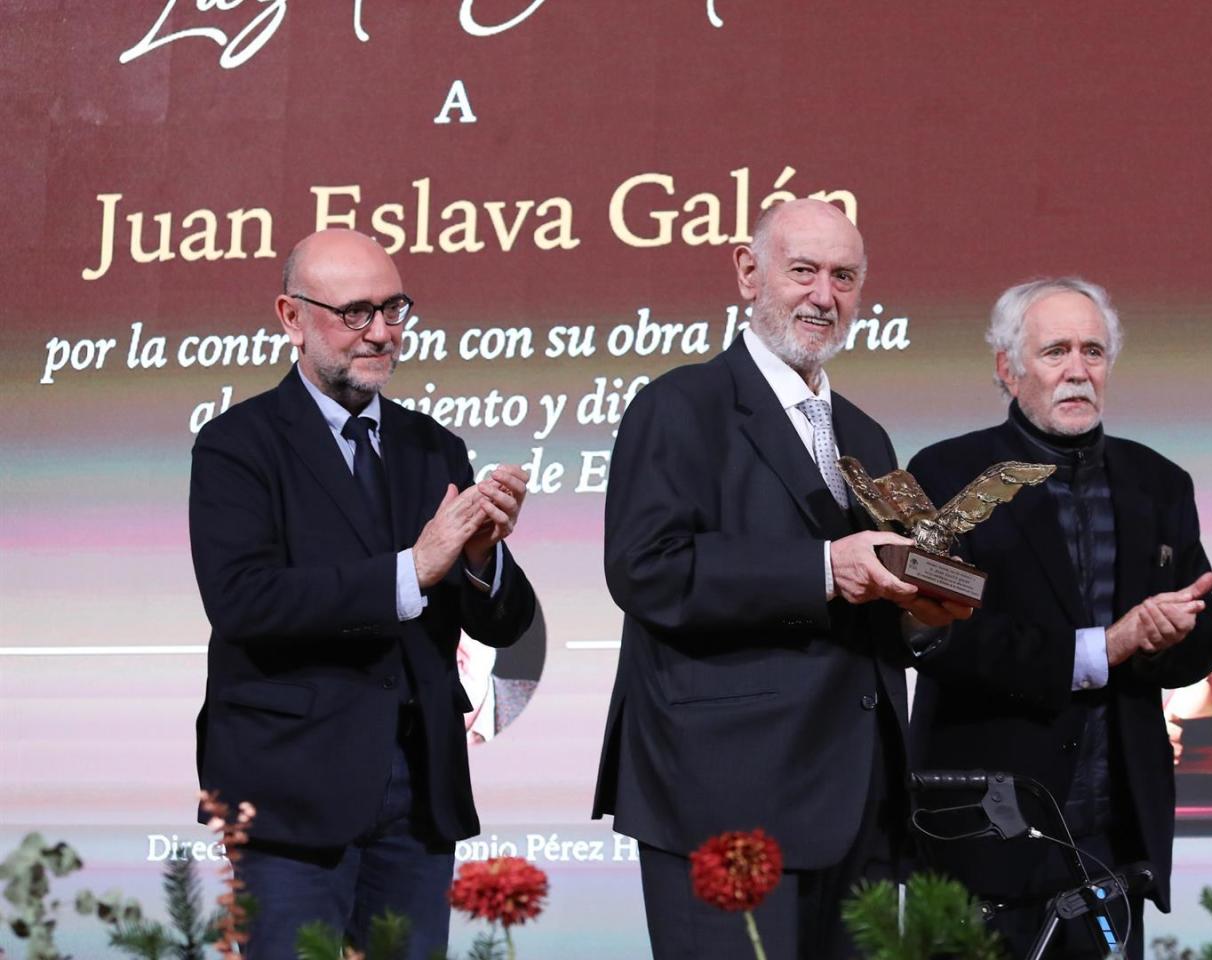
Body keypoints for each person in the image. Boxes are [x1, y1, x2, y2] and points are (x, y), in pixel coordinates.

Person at [592, 199, 968, 959]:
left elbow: (878, 598)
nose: (824, 296)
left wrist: (925, 610)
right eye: (803, 272)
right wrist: (824, 569)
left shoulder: (865, 434)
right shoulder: (680, 407)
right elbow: (647, 570)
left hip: (859, 798)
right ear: (746, 272)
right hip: (724, 797)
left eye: (844, 277)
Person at [188, 229, 538, 959]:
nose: (382, 332)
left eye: (393, 308)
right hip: (289, 789)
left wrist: (480, 557)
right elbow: (246, 602)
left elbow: (502, 621)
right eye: (355, 313)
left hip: (419, 790)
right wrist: (413, 568)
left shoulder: (432, 446)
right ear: (291, 316)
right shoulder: (236, 445)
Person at [906, 278, 1212, 958]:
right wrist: (1105, 647)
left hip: (1113, 843)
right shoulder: (944, 478)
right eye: (1056, 351)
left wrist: (1179, 632)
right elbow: (945, 639)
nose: (1078, 370)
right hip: (984, 839)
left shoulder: (1159, 483)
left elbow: (1185, 635)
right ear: (1007, 368)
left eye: (1093, 350)